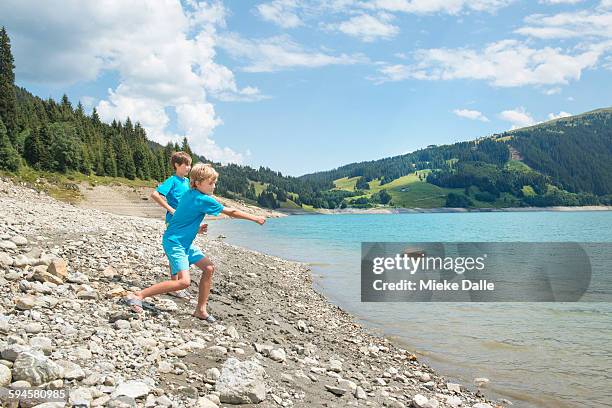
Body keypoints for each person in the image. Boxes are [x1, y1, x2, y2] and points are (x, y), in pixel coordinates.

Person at [125, 163, 266, 322]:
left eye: (214, 182)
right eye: (210, 183)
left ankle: (200, 310)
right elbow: (231, 212)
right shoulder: (203, 199)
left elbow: (182, 216)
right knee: (184, 282)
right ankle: (139, 295)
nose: (214, 186)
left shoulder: (189, 194)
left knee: (209, 268)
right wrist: (255, 218)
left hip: (182, 241)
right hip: (175, 242)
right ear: (198, 183)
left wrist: (195, 229)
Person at [150, 151, 192, 298]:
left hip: (185, 221)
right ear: (176, 165)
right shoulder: (172, 180)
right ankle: (174, 285)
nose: (188, 167)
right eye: (185, 164)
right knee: (176, 250)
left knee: (182, 250)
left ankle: (178, 284)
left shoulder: (187, 182)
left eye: (190, 164)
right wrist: (170, 209)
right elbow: (155, 195)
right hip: (174, 221)